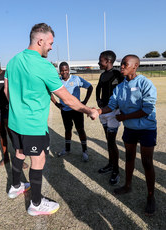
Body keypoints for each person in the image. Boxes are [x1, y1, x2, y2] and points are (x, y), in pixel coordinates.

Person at [4, 23, 99, 216]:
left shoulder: (13, 60)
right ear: (40, 41)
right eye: (50, 43)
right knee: (38, 160)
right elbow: (68, 99)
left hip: (14, 122)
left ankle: (15, 186)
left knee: (20, 152)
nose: (51, 47)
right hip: (32, 126)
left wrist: (19, 108)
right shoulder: (44, 66)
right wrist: (89, 110)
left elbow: (7, 91)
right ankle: (36, 204)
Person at [98, 55, 157, 216]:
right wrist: (98, 111)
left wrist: (124, 117)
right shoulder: (120, 87)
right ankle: (127, 185)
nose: (121, 67)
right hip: (130, 129)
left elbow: (147, 109)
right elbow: (111, 105)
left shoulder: (145, 83)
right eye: (121, 64)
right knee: (129, 157)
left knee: (146, 162)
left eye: (125, 64)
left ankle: (151, 196)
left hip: (147, 129)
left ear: (135, 65)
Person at [51, 62, 93, 162]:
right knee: (67, 130)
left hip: (77, 110)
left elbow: (90, 87)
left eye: (65, 70)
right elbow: (49, 91)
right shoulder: (57, 81)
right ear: (59, 71)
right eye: (61, 70)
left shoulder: (76, 79)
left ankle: (85, 151)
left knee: (80, 130)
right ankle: (67, 149)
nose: (64, 72)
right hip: (65, 111)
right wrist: (57, 104)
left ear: (69, 70)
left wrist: (85, 101)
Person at [96, 50, 124, 185]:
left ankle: (116, 170)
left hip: (113, 112)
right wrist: (98, 100)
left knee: (112, 142)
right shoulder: (102, 75)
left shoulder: (117, 74)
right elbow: (98, 88)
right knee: (108, 140)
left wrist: (119, 107)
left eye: (100, 60)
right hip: (103, 111)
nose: (98, 62)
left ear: (108, 61)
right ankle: (110, 164)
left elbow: (124, 91)